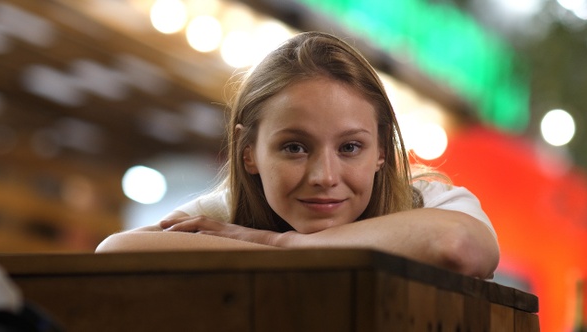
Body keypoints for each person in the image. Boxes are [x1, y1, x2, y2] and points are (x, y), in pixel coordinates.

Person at [96, 31, 499, 279]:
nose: (324, 175)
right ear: (248, 152)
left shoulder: (431, 202)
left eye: (350, 147)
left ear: (381, 151)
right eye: (294, 147)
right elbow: (117, 251)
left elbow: (457, 245)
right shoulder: (225, 213)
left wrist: (285, 246)